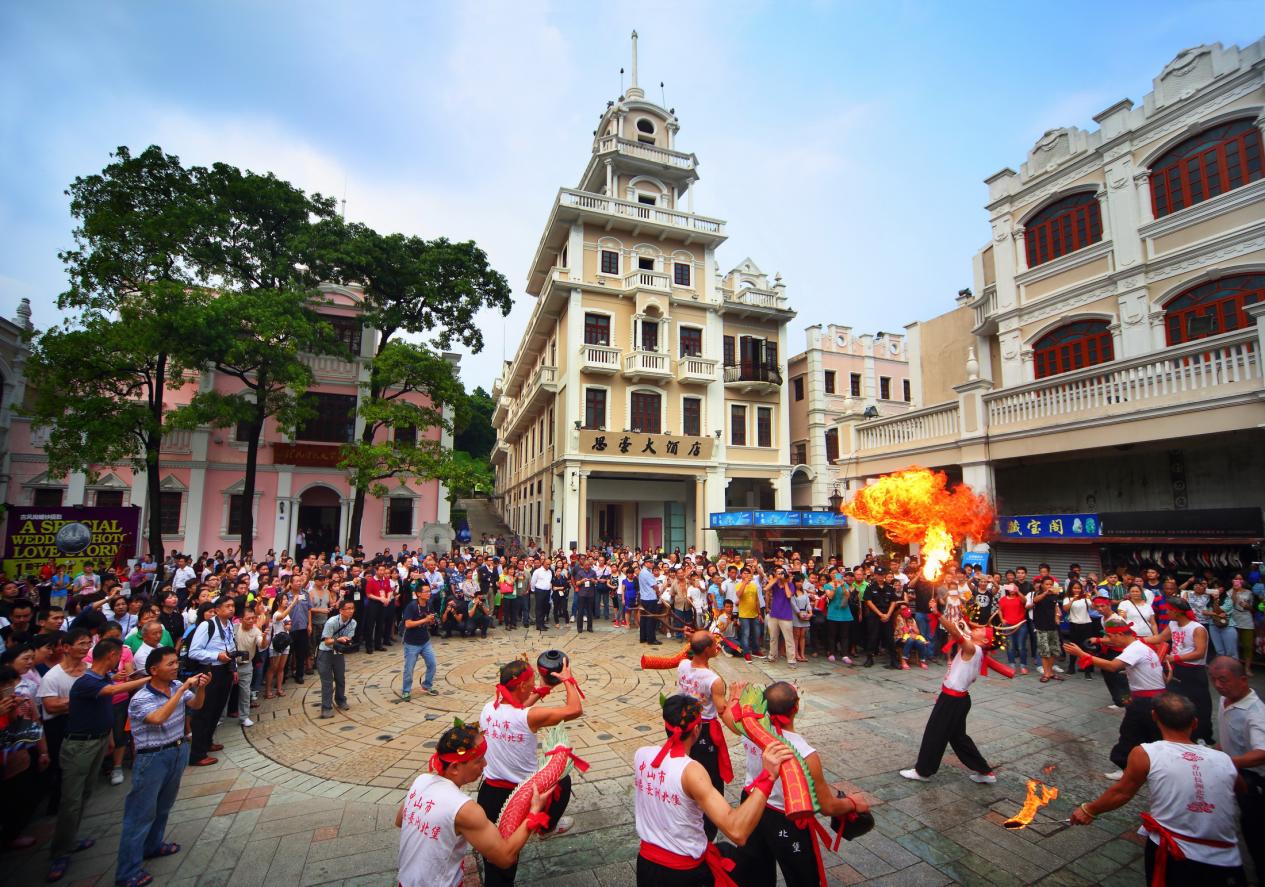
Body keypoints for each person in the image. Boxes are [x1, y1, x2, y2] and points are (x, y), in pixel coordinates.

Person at [1069, 693, 1245, 886]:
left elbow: (1122, 792)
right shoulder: (1224, 759)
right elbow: (1241, 790)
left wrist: (1089, 810)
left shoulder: (1146, 753)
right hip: (1227, 859)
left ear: (1154, 717)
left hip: (1173, 852)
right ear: (1194, 723)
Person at [634, 694, 791, 886]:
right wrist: (768, 776)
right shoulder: (691, 772)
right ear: (697, 729)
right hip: (683, 874)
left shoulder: (641, 755)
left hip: (646, 865)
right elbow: (737, 831)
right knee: (750, 868)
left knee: (726, 852)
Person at [730, 681, 870, 886]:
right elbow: (827, 806)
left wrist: (736, 697)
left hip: (751, 808)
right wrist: (852, 803)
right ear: (795, 707)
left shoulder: (751, 731)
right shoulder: (805, 753)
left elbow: (727, 715)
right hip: (785, 818)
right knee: (802, 878)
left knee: (756, 874)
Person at [46, 638, 150, 883]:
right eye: (118, 657)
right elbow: (113, 692)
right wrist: (150, 679)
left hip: (100, 739)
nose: (119, 663)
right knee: (71, 799)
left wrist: (110, 737)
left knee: (84, 794)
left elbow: (106, 706)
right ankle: (60, 851)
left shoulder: (102, 678)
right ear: (112, 655)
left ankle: (71, 839)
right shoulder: (88, 681)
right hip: (80, 745)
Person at [396, 723, 549, 887]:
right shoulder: (464, 809)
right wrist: (532, 814)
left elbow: (400, 821)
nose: (485, 764)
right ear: (455, 767)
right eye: (478, 760)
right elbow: (505, 858)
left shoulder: (421, 781)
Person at [476, 657, 584, 886]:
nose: (534, 685)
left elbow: (519, 707)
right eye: (532, 682)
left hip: (488, 793)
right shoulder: (528, 718)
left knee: (495, 860)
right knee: (562, 779)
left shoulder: (488, 708)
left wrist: (543, 689)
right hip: (520, 796)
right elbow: (575, 709)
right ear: (523, 686)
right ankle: (546, 827)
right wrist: (567, 680)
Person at [114, 648, 209, 887]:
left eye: (176, 662)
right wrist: (182, 690)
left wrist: (201, 687)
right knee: (140, 814)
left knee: (164, 806)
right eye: (170, 663)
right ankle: (127, 871)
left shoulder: (176, 685)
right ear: (154, 670)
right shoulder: (141, 698)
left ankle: (153, 845)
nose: (175, 667)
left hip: (177, 750)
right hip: (152, 757)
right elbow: (158, 718)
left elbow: (196, 705)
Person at [1065, 615, 1165, 780]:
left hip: (1145, 702)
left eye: (1110, 637)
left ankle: (1127, 769)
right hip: (1153, 699)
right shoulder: (1140, 646)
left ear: (1120, 635)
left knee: (1130, 734)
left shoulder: (1135, 649)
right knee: (1150, 736)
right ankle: (1151, 769)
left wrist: (1082, 654)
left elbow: (1112, 666)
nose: (1109, 640)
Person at [900, 618, 997, 784]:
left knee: (934, 733)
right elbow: (960, 630)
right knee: (959, 738)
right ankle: (985, 772)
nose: (979, 628)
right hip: (957, 699)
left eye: (983, 630)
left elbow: (954, 632)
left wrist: (938, 614)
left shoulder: (973, 649)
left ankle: (922, 771)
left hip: (953, 700)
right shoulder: (974, 648)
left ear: (985, 640)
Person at [676, 631, 742, 840]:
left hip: (685, 727)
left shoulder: (683, 666)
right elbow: (722, 710)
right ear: (706, 650)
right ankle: (708, 831)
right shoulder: (714, 681)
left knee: (686, 770)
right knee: (710, 780)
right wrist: (737, 697)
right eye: (714, 644)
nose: (717, 646)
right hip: (703, 730)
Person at [1209, 656, 1265, 877]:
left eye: (1224, 680)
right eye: (1214, 679)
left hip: (1254, 778)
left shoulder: (1255, 713)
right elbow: (1231, 736)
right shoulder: (1226, 699)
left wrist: (1225, 761)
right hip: (1233, 771)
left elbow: (1261, 753)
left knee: (1255, 830)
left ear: (1243, 680)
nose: (1218, 685)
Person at [1144, 598, 1212, 744]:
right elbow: (1160, 637)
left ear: (1177, 612)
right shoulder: (1173, 624)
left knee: (1199, 704)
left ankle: (1202, 736)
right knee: (1174, 703)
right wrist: (1139, 640)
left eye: (1169, 610)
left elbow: (1199, 653)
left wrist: (1174, 658)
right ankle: (1175, 733)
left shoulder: (1197, 628)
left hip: (1194, 672)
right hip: (1176, 670)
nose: (1166, 612)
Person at [185, 596, 240, 767]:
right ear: (217, 609)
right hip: (210, 670)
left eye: (232, 606)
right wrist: (216, 656)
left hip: (225, 669)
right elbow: (194, 652)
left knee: (217, 709)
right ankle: (197, 753)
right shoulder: (207, 625)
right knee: (204, 711)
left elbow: (230, 646)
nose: (231, 609)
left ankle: (208, 742)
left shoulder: (229, 624)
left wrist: (234, 666)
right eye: (227, 606)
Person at [315, 600, 357, 719]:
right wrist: (338, 640)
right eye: (347, 608)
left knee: (340, 678)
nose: (350, 611)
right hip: (325, 652)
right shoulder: (331, 622)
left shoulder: (353, 622)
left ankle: (341, 700)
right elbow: (326, 641)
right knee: (327, 681)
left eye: (352, 608)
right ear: (341, 610)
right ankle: (326, 707)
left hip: (338, 652)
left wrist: (347, 643)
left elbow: (349, 638)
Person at [400, 582, 438, 701]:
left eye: (429, 591)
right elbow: (408, 624)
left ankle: (427, 685)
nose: (428, 594)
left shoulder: (429, 604)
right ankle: (406, 690)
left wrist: (431, 621)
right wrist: (425, 619)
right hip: (411, 642)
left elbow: (430, 620)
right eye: (426, 591)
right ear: (418, 594)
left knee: (432, 664)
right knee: (409, 668)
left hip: (425, 640)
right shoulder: (411, 606)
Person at [863, 567, 900, 669]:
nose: (880, 577)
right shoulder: (870, 587)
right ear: (875, 575)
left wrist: (888, 614)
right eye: (878, 575)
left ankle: (894, 660)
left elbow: (893, 601)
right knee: (872, 637)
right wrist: (880, 614)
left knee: (889, 638)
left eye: (882, 575)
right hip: (875, 616)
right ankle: (869, 658)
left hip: (887, 615)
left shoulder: (889, 587)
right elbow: (869, 602)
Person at [638, 559, 663, 646]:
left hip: (644, 598)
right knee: (651, 619)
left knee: (644, 618)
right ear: (645, 563)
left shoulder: (642, 572)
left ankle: (643, 638)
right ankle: (651, 639)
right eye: (650, 562)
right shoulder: (647, 573)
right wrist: (658, 592)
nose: (652, 564)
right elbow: (654, 585)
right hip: (650, 598)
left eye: (652, 562)